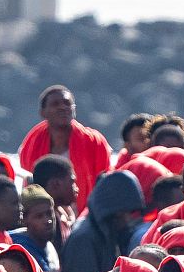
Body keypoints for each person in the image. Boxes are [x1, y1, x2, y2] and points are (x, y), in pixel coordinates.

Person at [17, 85, 112, 213]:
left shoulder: (94, 142)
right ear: (43, 112)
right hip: (46, 217)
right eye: (55, 104)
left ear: (74, 109)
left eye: (67, 103)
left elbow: (106, 183)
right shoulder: (31, 145)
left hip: (89, 215)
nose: (63, 107)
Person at [58, 170, 145, 272]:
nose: (128, 220)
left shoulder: (105, 234)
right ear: (112, 212)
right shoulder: (83, 240)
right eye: (124, 213)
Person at [11, 184, 61, 272]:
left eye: (49, 213)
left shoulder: (47, 245)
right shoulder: (19, 250)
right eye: (39, 216)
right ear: (24, 219)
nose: (48, 220)